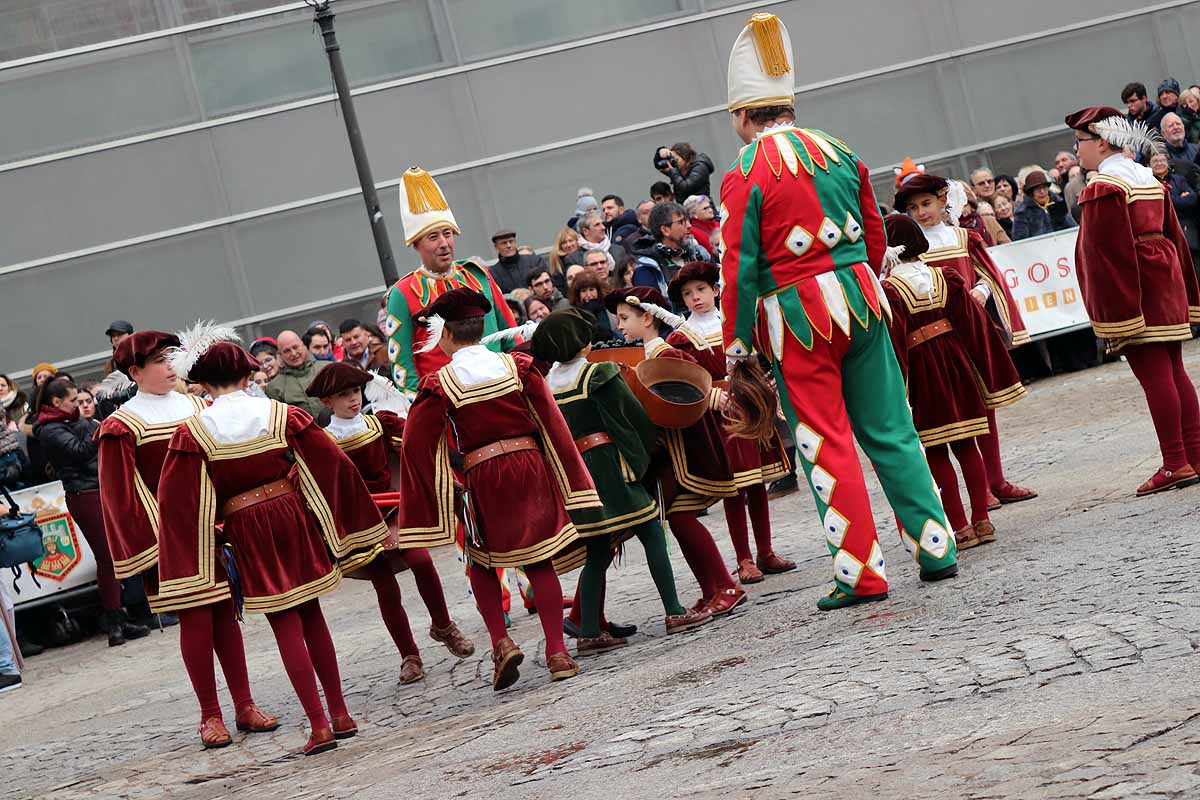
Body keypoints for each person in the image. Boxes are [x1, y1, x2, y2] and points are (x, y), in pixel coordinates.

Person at [720, 13, 958, 609]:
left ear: (745, 115)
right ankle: (936, 548)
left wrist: (737, 344)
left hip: (796, 317)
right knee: (891, 427)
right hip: (861, 299)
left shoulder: (744, 173)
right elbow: (875, 233)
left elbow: (738, 267)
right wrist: (861, 277)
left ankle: (860, 574)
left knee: (826, 441)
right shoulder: (840, 151)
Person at [156, 327, 389, 755]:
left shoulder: (192, 433)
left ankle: (318, 726)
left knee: (285, 626)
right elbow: (332, 462)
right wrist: (339, 519)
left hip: (247, 525)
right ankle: (340, 713)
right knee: (313, 615)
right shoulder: (282, 414)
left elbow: (179, 502)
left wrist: (205, 545)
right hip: (291, 515)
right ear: (247, 377)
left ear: (203, 385)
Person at [395, 288, 597, 690]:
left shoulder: (441, 382)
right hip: (530, 467)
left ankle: (501, 642)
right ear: (482, 327)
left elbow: (417, 443)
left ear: (447, 336)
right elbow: (551, 421)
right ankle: (557, 652)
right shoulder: (519, 367)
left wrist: (436, 490)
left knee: (483, 561)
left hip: (482, 474)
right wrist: (571, 477)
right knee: (538, 559)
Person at [96, 330, 278, 748]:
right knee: (196, 623)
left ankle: (244, 704)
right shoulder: (122, 426)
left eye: (171, 357)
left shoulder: (199, 406)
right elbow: (121, 496)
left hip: (215, 529)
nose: (169, 366)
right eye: (159, 361)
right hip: (172, 541)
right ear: (135, 371)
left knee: (226, 617)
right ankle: (209, 715)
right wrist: (152, 548)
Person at [531, 309, 712, 654]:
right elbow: (632, 419)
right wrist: (641, 460)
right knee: (652, 533)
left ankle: (587, 631)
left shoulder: (545, 387)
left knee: (597, 550)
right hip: (612, 467)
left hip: (579, 477)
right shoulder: (598, 374)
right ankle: (674, 610)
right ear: (581, 343)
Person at [304, 363, 475, 685]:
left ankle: (444, 626)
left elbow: (419, 441)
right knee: (384, 585)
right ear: (327, 402)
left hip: (394, 511)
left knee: (422, 561)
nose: (353, 399)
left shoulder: (379, 424)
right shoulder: (321, 440)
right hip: (357, 521)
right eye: (343, 395)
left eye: (355, 391)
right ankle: (409, 654)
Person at [1066, 106, 1200, 494]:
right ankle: (1193, 454)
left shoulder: (1104, 186)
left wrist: (1117, 313)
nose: (1077, 151)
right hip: (1165, 278)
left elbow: (1106, 254)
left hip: (1138, 286)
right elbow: (1172, 233)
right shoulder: (1145, 178)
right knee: (1174, 370)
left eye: (1081, 142)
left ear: (1102, 142)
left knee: (1155, 374)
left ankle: (1175, 462)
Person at [880, 214, 1026, 550]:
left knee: (936, 451)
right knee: (967, 445)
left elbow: (897, 345)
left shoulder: (891, 289)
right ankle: (983, 520)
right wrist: (986, 371)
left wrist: (896, 390)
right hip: (958, 365)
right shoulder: (945, 277)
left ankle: (960, 526)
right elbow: (973, 326)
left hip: (924, 373)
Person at [605, 287, 750, 614]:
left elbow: (693, 389)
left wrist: (712, 397)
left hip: (690, 453)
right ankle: (711, 589)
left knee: (683, 519)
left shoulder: (665, 355)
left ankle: (727, 585)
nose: (619, 326)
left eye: (625, 318)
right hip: (672, 457)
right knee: (678, 519)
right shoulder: (646, 357)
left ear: (648, 317)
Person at [897, 171, 1037, 506]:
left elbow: (990, 274)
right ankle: (980, 490)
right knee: (953, 411)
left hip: (972, 330)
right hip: (938, 340)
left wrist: (981, 290)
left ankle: (996, 480)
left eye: (926, 203)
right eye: (914, 207)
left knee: (985, 405)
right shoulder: (910, 250)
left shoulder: (962, 237)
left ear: (943, 201)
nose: (921, 212)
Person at [666, 262, 794, 583]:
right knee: (733, 487)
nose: (695, 298)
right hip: (718, 415)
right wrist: (710, 396)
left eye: (701, 290)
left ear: (716, 290)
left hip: (749, 407)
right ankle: (743, 558)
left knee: (757, 482)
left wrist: (767, 383)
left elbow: (760, 355)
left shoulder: (736, 322)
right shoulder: (683, 337)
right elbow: (683, 380)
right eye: (687, 293)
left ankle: (765, 551)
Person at [33, 377, 151, 645]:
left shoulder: (74, 422)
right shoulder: (49, 430)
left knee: (117, 555)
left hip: (99, 489)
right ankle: (114, 623)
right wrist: (97, 426)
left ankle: (122, 615)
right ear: (57, 402)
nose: (79, 405)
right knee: (107, 557)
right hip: (84, 495)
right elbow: (79, 451)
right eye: (73, 400)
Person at [385, 167, 517, 396]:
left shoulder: (478, 275)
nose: (444, 243)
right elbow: (403, 366)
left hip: (501, 387)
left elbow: (510, 335)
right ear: (416, 245)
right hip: (446, 401)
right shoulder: (403, 292)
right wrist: (427, 406)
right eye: (433, 237)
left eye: (447, 234)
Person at [629, 202, 713, 298]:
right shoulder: (647, 268)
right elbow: (651, 308)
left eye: (688, 220)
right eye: (681, 222)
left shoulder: (700, 254)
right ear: (665, 230)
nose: (689, 226)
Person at [264, 331, 329, 418]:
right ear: (280, 355)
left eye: (295, 347)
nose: (293, 353)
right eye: (287, 351)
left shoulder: (327, 368)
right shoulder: (275, 387)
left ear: (303, 345)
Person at [1151, 152, 1199, 257]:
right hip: (1160, 230)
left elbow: (1192, 199)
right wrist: (1179, 199)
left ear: (1168, 163)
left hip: (1184, 227)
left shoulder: (1179, 179)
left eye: (1162, 161)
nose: (1159, 163)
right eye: (1155, 161)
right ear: (1148, 165)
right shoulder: (1147, 182)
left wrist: (1165, 199)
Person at [1012, 170, 1077, 239]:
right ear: (1031, 192)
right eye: (1037, 189)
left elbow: (1073, 229)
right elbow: (1020, 240)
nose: (1042, 192)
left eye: (1044, 187)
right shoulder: (1022, 212)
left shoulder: (1058, 203)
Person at [490, 230, 549, 295]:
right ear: (496, 247)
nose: (508, 245)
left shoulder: (535, 261)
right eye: (504, 243)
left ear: (515, 243)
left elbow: (548, 283)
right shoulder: (493, 273)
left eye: (511, 241)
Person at [567, 271, 614, 341]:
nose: (588, 295)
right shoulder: (573, 314)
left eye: (591, 289)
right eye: (583, 291)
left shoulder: (609, 309)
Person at [547, 227, 581, 293]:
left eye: (571, 241)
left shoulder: (585, 255)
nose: (568, 245)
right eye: (564, 243)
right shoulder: (557, 263)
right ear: (560, 246)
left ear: (577, 241)